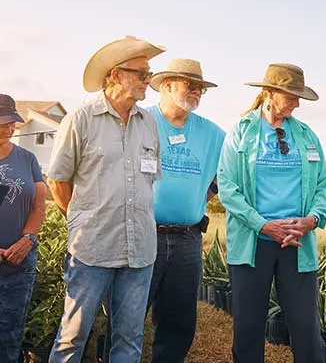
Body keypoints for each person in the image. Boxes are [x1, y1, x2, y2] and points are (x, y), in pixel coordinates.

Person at [47, 36, 165, 363]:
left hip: (140, 249)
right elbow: (58, 181)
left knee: (129, 338)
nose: (148, 81)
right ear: (115, 75)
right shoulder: (80, 120)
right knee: (73, 336)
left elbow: (150, 178)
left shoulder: (149, 124)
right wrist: (81, 221)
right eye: (142, 74)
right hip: (91, 249)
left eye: (149, 74)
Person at [217, 63, 326, 363]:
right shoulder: (240, 133)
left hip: (296, 242)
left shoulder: (306, 136)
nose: (297, 102)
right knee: (249, 325)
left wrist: (312, 220)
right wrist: (263, 226)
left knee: (306, 328)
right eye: (291, 94)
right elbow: (227, 189)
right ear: (269, 92)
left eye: (299, 95)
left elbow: (322, 184)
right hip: (253, 242)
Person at [146, 59, 226, 362]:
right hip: (143, 233)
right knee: (127, 315)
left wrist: (199, 195)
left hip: (187, 240)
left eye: (200, 88)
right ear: (167, 85)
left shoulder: (214, 134)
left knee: (179, 321)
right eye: (189, 85)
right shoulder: (141, 121)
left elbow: (225, 177)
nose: (196, 92)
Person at [0, 95, 47, 362]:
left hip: (18, 262)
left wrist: (27, 240)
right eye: (4, 122)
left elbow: (38, 206)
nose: (10, 128)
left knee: (10, 332)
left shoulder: (28, 159)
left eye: (12, 122)